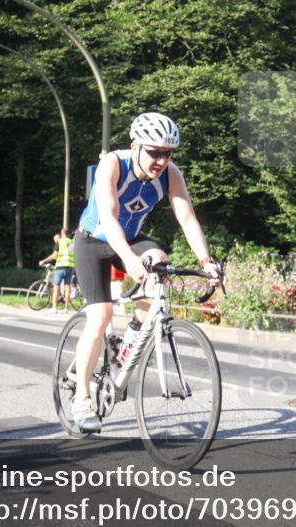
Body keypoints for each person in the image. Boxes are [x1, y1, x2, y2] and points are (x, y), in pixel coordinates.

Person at [71, 112, 219, 431]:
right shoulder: (113, 164)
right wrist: (128, 258)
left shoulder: (171, 174)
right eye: (154, 152)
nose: (161, 161)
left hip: (130, 238)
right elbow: (109, 219)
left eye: (168, 154)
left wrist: (206, 261)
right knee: (100, 316)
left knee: (160, 261)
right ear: (135, 146)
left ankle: (130, 341)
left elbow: (187, 218)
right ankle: (81, 398)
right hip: (93, 240)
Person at [39, 228, 75, 313]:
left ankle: (54, 308)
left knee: (56, 287)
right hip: (70, 267)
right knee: (67, 287)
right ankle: (66, 309)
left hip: (60, 267)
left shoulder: (60, 242)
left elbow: (54, 256)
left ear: (62, 233)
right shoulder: (71, 242)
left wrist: (44, 261)